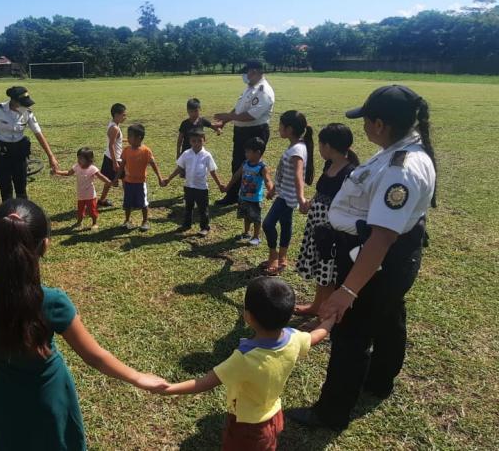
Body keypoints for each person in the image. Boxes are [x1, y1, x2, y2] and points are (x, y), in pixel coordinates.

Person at [0, 199, 168, 451]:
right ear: (45, 246)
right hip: (49, 399)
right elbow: (95, 356)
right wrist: (138, 377)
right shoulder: (52, 301)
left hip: (4, 399)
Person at [286, 85, 437, 431]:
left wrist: (347, 292)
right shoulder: (398, 150)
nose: (363, 128)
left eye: (366, 121)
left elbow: (381, 237)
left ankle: (330, 413)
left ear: (380, 124)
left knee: (351, 335)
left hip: (374, 260)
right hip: (387, 259)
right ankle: (380, 381)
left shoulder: (403, 167)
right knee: (388, 316)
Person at [156, 277, 333, 451]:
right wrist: (330, 320)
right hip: (274, 415)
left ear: (248, 316)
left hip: (247, 426)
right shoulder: (295, 338)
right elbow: (316, 335)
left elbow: (204, 383)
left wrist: (169, 388)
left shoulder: (244, 359)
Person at [294, 124, 359, 320]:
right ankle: (316, 305)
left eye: (321, 145)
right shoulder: (329, 164)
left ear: (328, 146)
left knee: (328, 271)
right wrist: (311, 203)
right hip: (318, 223)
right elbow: (323, 191)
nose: (319, 148)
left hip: (333, 230)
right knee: (321, 268)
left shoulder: (350, 172)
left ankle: (325, 315)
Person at [0, 86, 59, 201]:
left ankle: (22, 215)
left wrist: (51, 156)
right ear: (14, 101)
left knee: (21, 189)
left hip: (18, 153)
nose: (26, 105)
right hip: (0, 153)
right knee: (5, 190)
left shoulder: (27, 112)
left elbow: (38, 134)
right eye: (22, 103)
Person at [213, 60, 275, 206]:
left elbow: (251, 115)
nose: (245, 75)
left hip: (255, 132)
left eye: (247, 72)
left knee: (251, 165)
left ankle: (249, 197)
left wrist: (228, 116)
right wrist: (224, 121)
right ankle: (233, 196)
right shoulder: (250, 87)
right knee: (237, 163)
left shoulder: (264, 91)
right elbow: (239, 108)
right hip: (241, 131)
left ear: (254, 72)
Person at [260, 111, 315, 276]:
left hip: (287, 198)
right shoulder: (297, 146)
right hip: (284, 194)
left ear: (289, 129)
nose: (278, 128)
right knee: (285, 225)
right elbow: (285, 173)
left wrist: (301, 198)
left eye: (281, 125)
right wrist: (274, 190)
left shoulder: (297, 149)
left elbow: (298, 175)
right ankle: (282, 258)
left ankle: (274, 258)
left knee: (268, 224)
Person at [162, 127, 225, 236]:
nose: (196, 143)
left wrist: (219, 184)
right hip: (189, 186)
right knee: (188, 207)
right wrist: (169, 178)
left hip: (201, 188)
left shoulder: (207, 156)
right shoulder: (186, 154)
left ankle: (204, 227)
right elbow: (180, 168)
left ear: (204, 140)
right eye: (193, 141)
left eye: (199, 141)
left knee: (202, 209)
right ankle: (187, 224)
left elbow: (212, 171)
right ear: (189, 141)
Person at [115, 124, 164, 231]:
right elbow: (122, 166)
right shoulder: (126, 150)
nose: (128, 138)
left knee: (143, 203)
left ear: (139, 138)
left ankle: (145, 221)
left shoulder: (146, 151)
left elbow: (153, 165)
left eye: (130, 136)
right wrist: (116, 179)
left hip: (141, 183)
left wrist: (160, 178)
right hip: (128, 182)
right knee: (127, 203)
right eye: (128, 135)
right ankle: (127, 220)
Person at [227, 137, 273, 246]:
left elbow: (267, 180)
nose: (246, 154)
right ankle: (246, 232)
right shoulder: (245, 163)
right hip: (243, 196)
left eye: (248, 152)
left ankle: (256, 236)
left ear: (257, 153)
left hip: (255, 198)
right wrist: (228, 186)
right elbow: (236, 175)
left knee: (256, 218)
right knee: (246, 216)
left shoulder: (262, 167)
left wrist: (271, 190)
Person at [52, 147, 112, 230]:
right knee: (80, 211)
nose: (79, 160)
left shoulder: (92, 168)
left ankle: (94, 222)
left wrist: (108, 181)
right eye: (78, 158)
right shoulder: (77, 166)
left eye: (81, 159)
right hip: (81, 195)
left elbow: (100, 176)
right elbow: (69, 173)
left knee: (92, 210)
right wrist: (57, 172)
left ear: (89, 159)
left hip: (90, 195)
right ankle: (79, 222)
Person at [97, 103, 127, 207]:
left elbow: (115, 140)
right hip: (114, 158)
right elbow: (111, 145)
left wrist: (128, 140)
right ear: (116, 115)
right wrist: (115, 163)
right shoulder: (115, 128)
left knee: (109, 181)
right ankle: (128, 200)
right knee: (125, 179)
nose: (125, 117)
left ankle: (102, 200)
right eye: (123, 115)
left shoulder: (113, 125)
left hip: (110, 157)